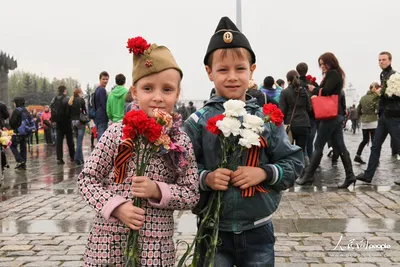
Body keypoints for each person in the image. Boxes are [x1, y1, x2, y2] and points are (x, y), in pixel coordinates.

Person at [184, 17, 303, 266]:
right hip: (212, 232)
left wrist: (265, 172)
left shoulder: (267, 118)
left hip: (258, 231)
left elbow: (294, 161)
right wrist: (205, 178)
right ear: (209, 72)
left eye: (240, 69)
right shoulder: (197, 122)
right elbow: (180, 171)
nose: (232, 77)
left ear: (252, 70)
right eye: (222, 70)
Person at [77, 36, 200, 266]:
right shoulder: (117, 133)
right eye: (148, 88)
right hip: (110, 242)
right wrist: (116, 206)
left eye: (167, 89)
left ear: (177, 93)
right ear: (134, 92)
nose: (157, 97)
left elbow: (191, 193)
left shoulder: (180, 141)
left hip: (155, 248)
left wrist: (157, 190)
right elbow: (87, 180)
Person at [296, 52, 356, 189]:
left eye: (324, 63)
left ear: (331, 62)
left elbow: (328, 91)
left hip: (331, 115)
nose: (322, 67)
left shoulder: (333, 73)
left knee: (318, 144)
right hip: (335, 115)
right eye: (321, 64)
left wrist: (314, 89)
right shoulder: (335, 73)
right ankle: (350, 175)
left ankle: (309, 175)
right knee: (340, 145)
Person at [357, 51, 400, 184]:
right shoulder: (383, 75)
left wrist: (385, 94)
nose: (381, 62)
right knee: (375, 146)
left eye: (384, 59)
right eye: (379, 60)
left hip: (393, 117)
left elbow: (396, 95)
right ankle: (368, 175)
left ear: (390, 60)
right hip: (382, 117)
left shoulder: (395, 76)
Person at [279, 70, 312, 154]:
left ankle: (291, 166)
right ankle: (303, 166)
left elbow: (282, 111)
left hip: (290, 124)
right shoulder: (304, 91)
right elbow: (309, 108)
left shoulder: (284, 92)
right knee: (301, 150)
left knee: (288, 150)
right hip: (304, 124)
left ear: (288, 80)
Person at [354, 82, 380, 164]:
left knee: (365, 140)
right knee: (374, 141)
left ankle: (357, 156)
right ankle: (375, 159)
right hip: (373, 121)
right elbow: (378, 110)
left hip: (364, 122)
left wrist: (362, 116)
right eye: (377, 88)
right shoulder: (375, 98)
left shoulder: (362, 98)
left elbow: (358, 110)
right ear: (374, 88)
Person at [51, 85, 75, 165]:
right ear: (65, 90)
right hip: (67, 123)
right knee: (70, 141)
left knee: (59, 141)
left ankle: (59, 159)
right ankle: (72, 156)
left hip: (58, 123)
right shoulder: (67, 99)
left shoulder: (53, 99)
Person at [9, 97, 35, 170]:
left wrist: (14, 127)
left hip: (18, 132)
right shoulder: (25, 110)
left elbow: (12, 122)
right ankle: (23, 164)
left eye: (14, 102)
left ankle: (20, 160)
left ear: (17, 102)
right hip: (25, 132)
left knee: (12, 145)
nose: (14, 104)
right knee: (23, 147)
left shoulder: (16, 110)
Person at [68, 88, 87, 165]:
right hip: (80, 122)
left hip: (73, 122)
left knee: (77, 141)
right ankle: (76, 158)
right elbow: (85, 110)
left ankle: (81, 159)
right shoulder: (81, 100)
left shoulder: (70, 101)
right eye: (81, 92)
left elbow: (68, 113)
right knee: (79, 141)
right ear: (79, 93)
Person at [94, 71, 109, 140]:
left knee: (100, 137)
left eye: (106, 79)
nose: (105, 81)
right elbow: (104, 105)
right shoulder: (102, 90)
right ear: (100, 79)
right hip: (102, 117)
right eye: (103, 79)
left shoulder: (97, 89)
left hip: (97, 116)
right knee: (102, 138)